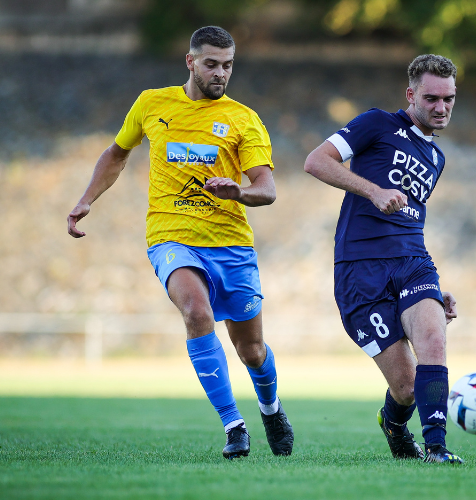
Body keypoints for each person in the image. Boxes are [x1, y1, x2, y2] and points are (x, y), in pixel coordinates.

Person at [66, 26, 292, 460]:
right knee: (196, 310)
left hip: (231, 245)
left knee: (252, 350)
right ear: (190, 62)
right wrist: (85, 199)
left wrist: (237, 192)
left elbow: (267, 188)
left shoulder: (244, 118)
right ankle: (233, 424)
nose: (221, 73)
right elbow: (117, 154)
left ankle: (271, 408)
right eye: (211, 64)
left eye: (228, 66)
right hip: (171, 237)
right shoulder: (152, 103)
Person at [303, 54, 463, 464]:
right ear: (411, 94)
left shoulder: (436, 159)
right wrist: (372, 191)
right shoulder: (376, 123)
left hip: (413, 261)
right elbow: (316, 161)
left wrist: (434, 290)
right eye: (431, 98)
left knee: (433, 339)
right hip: (360, 270)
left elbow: (412, 220)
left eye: (449, 99)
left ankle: (437, 449)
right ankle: (393, 423)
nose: (441, 108)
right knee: (406, 387)